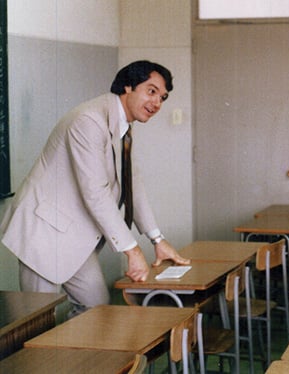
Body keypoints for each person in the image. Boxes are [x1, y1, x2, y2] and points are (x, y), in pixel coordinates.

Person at [0, 60, 189, 315]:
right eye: (151, 91)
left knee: (97, 309)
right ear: (127, 86)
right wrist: (132, 250)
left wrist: (157, 238)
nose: (157, 103)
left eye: (163, 97)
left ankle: (75, 355)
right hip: (43, 232)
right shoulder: (89, 120)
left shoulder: (123, 126)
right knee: (35, 322)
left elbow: (133, 185)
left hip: (72, 234)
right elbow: (96, 192)